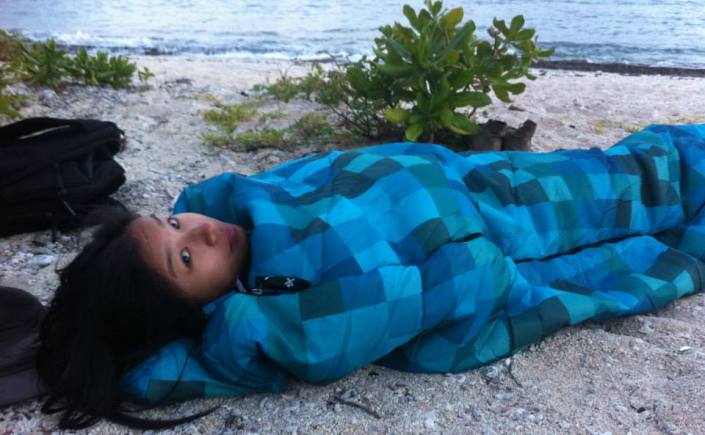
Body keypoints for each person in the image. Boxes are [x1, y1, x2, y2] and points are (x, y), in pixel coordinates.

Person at [36, 123, 705, 430]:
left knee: (625, 166)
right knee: (635, 208)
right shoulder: (277, 320)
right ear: (188, 310)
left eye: (172, 222)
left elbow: (339, 171)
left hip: (470, 180)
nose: (200, 231)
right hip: (490, 233)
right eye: (184, 259)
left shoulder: (239, 203)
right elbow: (453, 283)